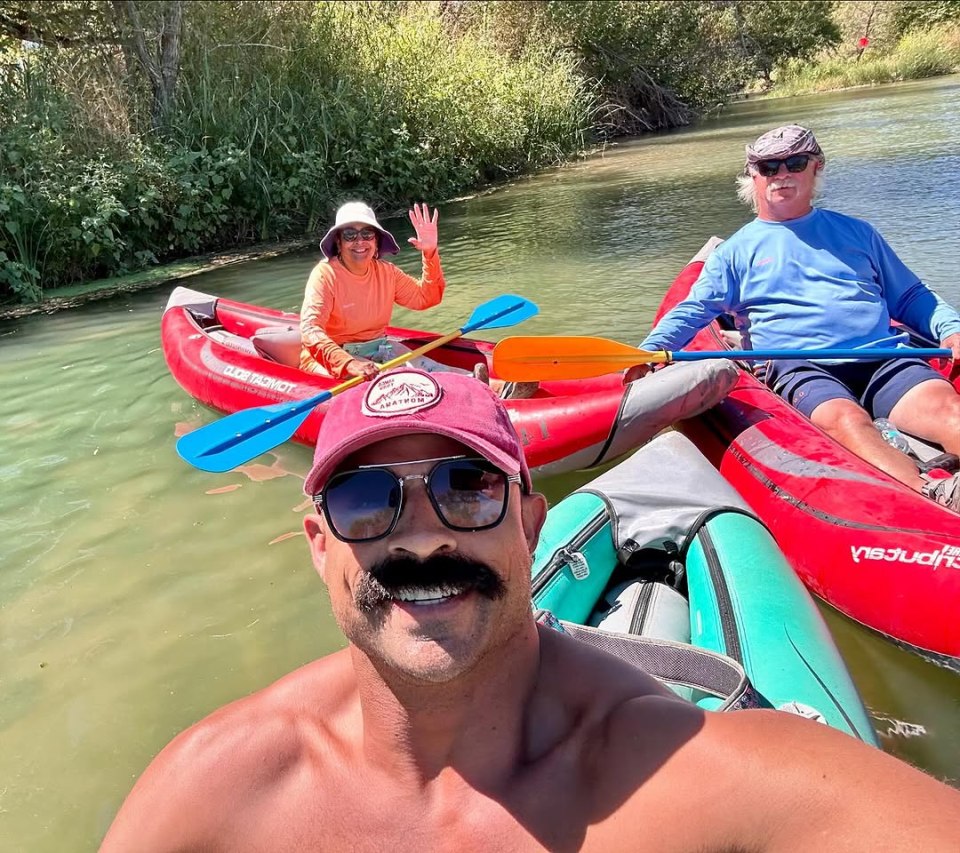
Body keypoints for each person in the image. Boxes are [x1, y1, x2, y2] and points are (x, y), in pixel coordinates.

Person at [101, 368, 960, 851]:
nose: (423, 538)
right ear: (318, 545)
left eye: (466, 488)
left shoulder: (681, 774)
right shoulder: (219, 784)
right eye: (368, 500)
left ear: (532, 523)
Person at [628, 124, 960, 512]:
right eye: (769, 167)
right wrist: (652, 349)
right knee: (847, 420)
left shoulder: (858, 233)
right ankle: (933, 497)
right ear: (753, 176)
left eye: (795, 163)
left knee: (946, 409)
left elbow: (910, 296)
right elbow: (694, 309)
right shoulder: (735, 253)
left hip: (881, 356)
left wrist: (951, 330)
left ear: (815, 167)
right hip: (798, 365)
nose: (782, 174)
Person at [300, 200, 538, 398]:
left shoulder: (386, 272)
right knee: (403, 383)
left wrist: (430, 252)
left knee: (432, 368)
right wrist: (349, 363)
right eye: (350, 234)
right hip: (336, 359)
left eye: (367, 234)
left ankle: (497, 388)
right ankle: (468, 396)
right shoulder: (325, 274)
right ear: (338, 242)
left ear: (376, 241)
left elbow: (427, 297)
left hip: (379, 347)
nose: (359, 241)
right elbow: (310, 330)